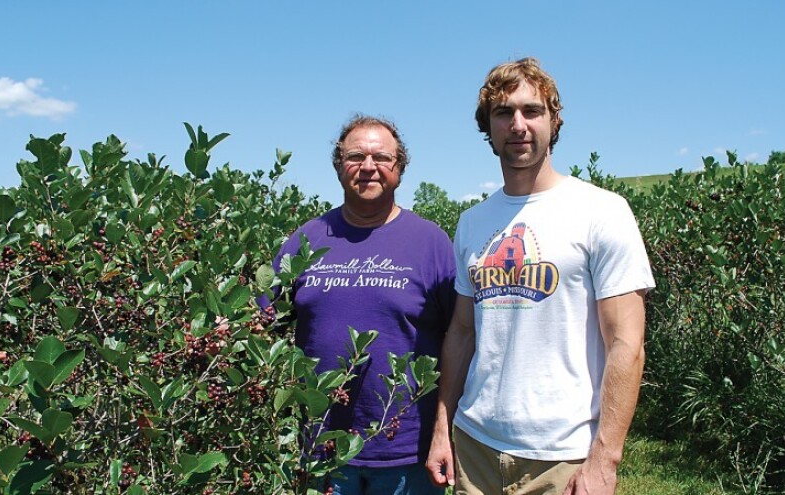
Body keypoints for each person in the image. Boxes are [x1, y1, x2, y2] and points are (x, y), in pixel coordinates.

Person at [425, 57, 655, 494]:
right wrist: (442, 427)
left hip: (563, 456)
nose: (518, 125)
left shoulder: (602, 211)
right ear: (488, 128)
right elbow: (460, 332)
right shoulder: (473, 222)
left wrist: (604, 461)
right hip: (474, 446)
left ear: (554, 121)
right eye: (503, 113)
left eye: (532, 111)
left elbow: (627, 343)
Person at [271, 114, 455, 494]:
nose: (368, 167)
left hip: (407, 454)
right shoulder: (305, 240)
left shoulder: (431, 243)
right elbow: (261, 325)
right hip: (319, 450)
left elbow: (460, 340)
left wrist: (445, 431)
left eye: (382, 158)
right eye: (355, 156)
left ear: (399, 168)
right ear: (339, 166)